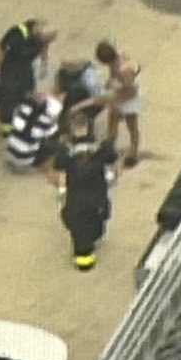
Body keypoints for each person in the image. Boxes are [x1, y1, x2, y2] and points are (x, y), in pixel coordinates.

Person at [52, 112, 118, 270]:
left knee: (78, 224)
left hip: (76, 194)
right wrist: (110, 179)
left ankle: (83, 255)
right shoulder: (102, 146)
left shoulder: (65, 150)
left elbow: (61, 172)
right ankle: (94, 238)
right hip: (97, 192)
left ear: (72, 129)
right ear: (87, 127)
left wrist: (61, 192)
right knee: (97, 217)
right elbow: (111, 164)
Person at [73, 40, 141, 167]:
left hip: (129, 98)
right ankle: (109, 150)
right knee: (112, 125)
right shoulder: (115, 62)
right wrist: (109, 86)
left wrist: (115, 94)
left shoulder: (124, 69)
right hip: (119, 93)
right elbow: (112, 76)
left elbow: (130, 88)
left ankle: (134, 153)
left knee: (132, 126)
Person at [0, 19, 58, 135]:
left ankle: (23, 116)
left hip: (25, 66)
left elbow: (44, 47)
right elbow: (1, 48)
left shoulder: (42, 37)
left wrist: (44, 63)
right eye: (42, 40)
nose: (43, 43)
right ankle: (6, 125)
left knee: (28, 91)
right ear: (37, 32)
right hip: (10, 67)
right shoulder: (17, 34)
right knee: (8, 95)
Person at [5, 92, 62, 173]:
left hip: (10, 155)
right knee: (56, 146)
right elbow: (54, 133)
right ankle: (34, 167)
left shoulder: (21, 110)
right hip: (24, 163)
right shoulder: (46, 122)